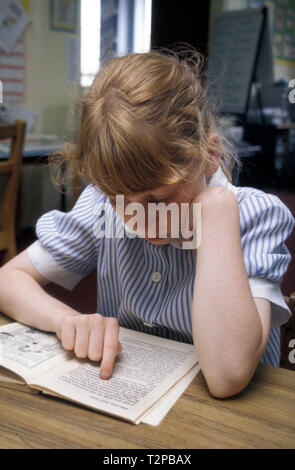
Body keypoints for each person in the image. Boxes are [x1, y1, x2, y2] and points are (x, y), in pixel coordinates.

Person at [0, 49, 294, 399]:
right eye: (117, 200)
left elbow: (227, 375)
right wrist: (68, 321)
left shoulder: (256, 216)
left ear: (209, 155)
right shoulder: (102, 204)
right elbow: (9, 279)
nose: (144, 221)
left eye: (159, 199)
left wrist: (215, 215)